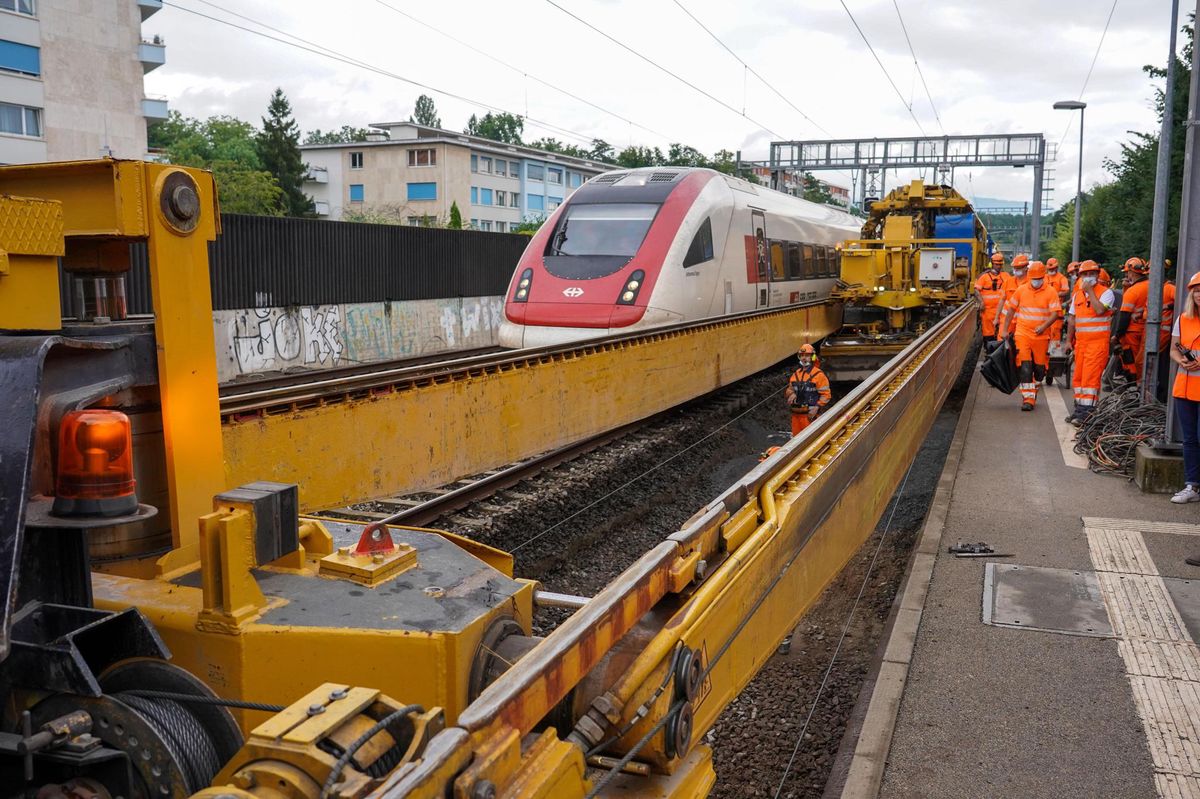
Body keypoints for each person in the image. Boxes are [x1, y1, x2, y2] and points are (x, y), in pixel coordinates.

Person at [999, 261, 1061, 411]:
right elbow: (1010, 310)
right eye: (1034, 278)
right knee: (1025, 367)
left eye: (1039, 278)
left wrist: (1044, 326)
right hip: (1023, 333)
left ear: (1043, 277)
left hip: (1041, 336)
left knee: (1039, 370)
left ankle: (1033, 390)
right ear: (1030, 277)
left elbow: (1055, 313)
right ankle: (1028, 398)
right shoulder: (1021, 290)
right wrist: (1005, 330)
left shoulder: (1050, 292)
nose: (1036, 281)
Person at [1064, 261, 1115, 424]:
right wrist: (1068, 340)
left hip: (1097, 345)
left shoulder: (1106, 293)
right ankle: (1079, 409)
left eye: (1091, 274)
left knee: (1090, 380)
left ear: (1098, 275)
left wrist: (1090, 291)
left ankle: (1088, 413)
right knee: (1078, 379)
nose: (1088, 277)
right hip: (1081, 344)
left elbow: (1100, 310)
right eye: (1085, 274)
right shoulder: (1077, 295)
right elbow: (1072, 319)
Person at [1169, 272, 1200, 507]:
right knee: (1189, 439)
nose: (1199, 294)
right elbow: (1173, 349)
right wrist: (1181, 360)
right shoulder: (1183, 319)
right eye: (1196, 290)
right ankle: (1192, 485)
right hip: (1185, 388)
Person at [1114, 257, 1151, 382]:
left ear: (1132, 273)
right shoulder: (1152, 286)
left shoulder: (1133, 291)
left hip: (1132, 333)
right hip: (1147, 331)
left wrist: (1117, 335)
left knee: (1130, 361)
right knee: (1144, 361)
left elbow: (1124, 316)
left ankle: (1133, 387)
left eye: (1127, 273)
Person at [786, 344, 831, 436]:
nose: (804, 358)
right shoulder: (796, 374)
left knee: (811, 441)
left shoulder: (819, 375)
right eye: (802, 356)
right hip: (796, 417)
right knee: (796, 442)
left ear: (812, 357)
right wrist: (791, 394)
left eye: (806, 355)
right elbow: (789, 389)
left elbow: (826, 395)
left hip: (810, 417)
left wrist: (817, 407)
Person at [974, 253, 1008, 343]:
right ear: (992, 264)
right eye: (996, 264)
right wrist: (981, 303)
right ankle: (988, 351)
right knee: (988, 333)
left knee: (1001, 333)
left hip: (1002, 311)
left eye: (1000, 264)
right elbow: (976, 290)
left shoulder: (1006, 276)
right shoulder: (984, 277)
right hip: (987, 311)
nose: (998, 266)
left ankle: (999, 352)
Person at [1046, 258, 1070, 341]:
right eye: (1050, 269)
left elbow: (1066, 291)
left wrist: (1054, 294)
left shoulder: (1062, 278)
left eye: (1053, 268)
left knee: (1055, 332)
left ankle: (1055, 351)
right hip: (1045, 311)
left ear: (1057, 268)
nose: (1051, 270)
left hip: (1057, 311)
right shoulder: (1044, 277)